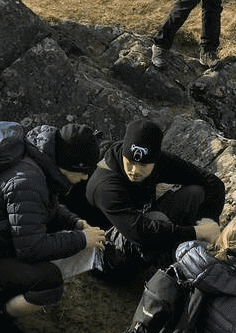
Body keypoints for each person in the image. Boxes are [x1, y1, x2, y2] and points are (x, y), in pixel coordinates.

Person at [0, 123, 107, 333]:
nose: (85, 177)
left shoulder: (37, 164)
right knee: (49, 283)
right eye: (84, 171)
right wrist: (81, 239)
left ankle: (2, 298)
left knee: (50, 258)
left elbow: (44, 208)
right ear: (69, 164)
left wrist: (75, 223)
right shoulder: (28, 181)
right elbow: (31, 248)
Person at [86, 117, 225, 280]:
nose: (134, 170)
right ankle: (183, 272)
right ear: (123, 152)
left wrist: (208, 223)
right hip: (103, 255)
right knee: (156, 219)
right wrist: (196, 233)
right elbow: (139, 232)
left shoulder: (159, 161)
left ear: (156, 159)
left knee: (195, 194)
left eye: (143, 165)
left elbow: (213, 183)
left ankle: (199, 253)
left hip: (142, 224)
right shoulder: (104, 184)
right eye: (130, 162)